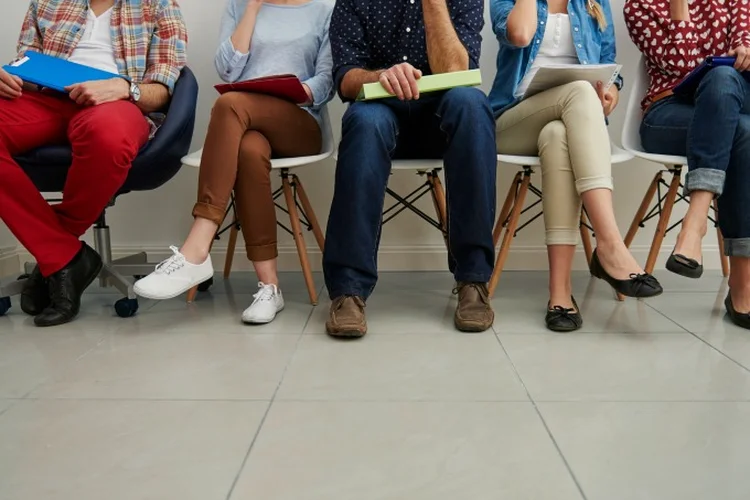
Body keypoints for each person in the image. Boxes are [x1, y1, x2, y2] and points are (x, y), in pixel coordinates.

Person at [134, 0, 334, 325]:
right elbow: (227, 70)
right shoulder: (238, 7)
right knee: (249, 150)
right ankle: (270, 287)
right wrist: (252, 8)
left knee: (229, 104)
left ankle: (197, 246)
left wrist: (292, 91)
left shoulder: (324, 9)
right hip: (247, 124)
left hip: (299, 121)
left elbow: (327, 80)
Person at [0, 0, 187, 327]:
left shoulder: (158, 5)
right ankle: (65, 256)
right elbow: (24, 65)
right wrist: (7, 76)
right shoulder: (46, 3)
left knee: (108, 137)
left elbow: (163, 90)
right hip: (46, 100)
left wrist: (124, 87)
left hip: (116, 103)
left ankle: (57, 254)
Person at [323, 0, 497, 338]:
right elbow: (344, 77)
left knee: (473, 105)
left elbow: (457, 73)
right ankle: (348, 289)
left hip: (443, 122)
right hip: (380, 111)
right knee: (362, 119)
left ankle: (472, 281)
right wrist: (380, 76)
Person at [489, 0, 663, 332]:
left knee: (557, 136)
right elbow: (521, 34)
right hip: (512, 120)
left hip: (570, 121)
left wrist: (610, 93)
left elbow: (611, 68)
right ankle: (610, 244)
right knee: (580, 92)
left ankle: (560, 295)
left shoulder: (593, 3)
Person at [625, 0, 750, 330]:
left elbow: (743, 42)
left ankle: (695, 221)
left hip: (730, 101)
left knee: (724, 83)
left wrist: (745, 51)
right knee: (742, 131)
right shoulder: (640, 6)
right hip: (667, 114)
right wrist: (678, 6)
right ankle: (743, 284)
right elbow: (682, 68)